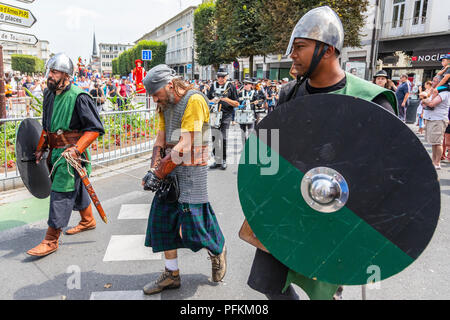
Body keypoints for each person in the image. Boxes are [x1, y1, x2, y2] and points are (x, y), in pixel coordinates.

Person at [244, 6, 398, 301]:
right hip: (289, 211)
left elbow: (391, 173)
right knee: (269, 284)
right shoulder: (289, 93)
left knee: (324, 293)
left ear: (327, 50)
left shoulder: (370, 100)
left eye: (300, 47)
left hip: (335, 216)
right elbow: (271, 152)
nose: (292, 54)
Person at [141, 64, 227, 295]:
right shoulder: (164, 103)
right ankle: (171, 274)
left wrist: (158, 172)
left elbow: (186, 145)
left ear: (169, 85)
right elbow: (161, 138)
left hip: (190, 172)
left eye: (155, 94)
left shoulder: (194, 100)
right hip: (170, 168)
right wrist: (153, 169)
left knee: (195, 227)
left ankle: (218, 250)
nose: (154, 99)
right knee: (163, 224)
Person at [26, 53, 105, 257]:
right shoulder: (49, 94)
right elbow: (47, 125)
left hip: (71, 154)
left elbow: (94, 129)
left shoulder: (79, 97)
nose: (49, 76)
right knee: (75, 187)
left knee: (61, 191)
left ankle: (51, 239)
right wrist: (41, 147)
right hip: (55, 151)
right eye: (49, 72)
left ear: (67, 75)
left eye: (54, 72)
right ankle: (88, 220)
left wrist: (76, 149)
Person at [207, 68, 239, 170]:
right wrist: (213, 100)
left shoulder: (231, 87)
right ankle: (217, 160)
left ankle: (224, 160)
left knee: (224, 137)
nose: (220, 79)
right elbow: (208, 100)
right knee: (214, 137)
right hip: (214, 115)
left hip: (226, 115)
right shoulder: (213, 86)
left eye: (223, 77)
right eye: (219, 77)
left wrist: (226, 99)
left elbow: (237, 103)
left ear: (226, 77)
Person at [422, 76, 450, 170]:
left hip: (438, 120)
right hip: (432, 119)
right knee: (434, 143)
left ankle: (437, 163)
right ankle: (434, 161)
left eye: (435, 81)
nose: (433, 82)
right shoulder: (436, 92)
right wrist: (425, 99)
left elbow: (431, 104)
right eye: (433, 80)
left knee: (438, 142)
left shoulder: (444, 93)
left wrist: (425, 99)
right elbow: (424, 101)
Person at [237, 78, 258, 146]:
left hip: (251, 115)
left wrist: (257, 103)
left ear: (251, 85)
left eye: (246, 84)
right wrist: (239, 105)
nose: (245, 85)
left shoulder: (254, 93)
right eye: (244, 84)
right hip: (242, 114)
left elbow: (260, 103)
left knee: (250, 131)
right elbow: (237, 102)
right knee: (243, 132)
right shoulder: (240, 94)